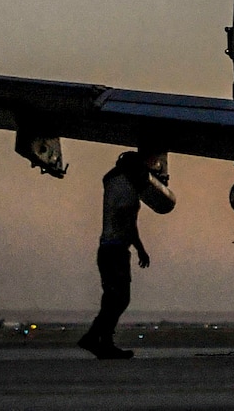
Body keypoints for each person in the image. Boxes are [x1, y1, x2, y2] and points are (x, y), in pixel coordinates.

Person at [78, 152, 156, 360]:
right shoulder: (127, 190)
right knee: (120, 299)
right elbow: (128, 223)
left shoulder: (114, 182)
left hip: (107, 249)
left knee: (112, 298)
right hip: (116, 251)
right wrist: (140, 248)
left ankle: (102, 341)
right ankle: (96, 338)